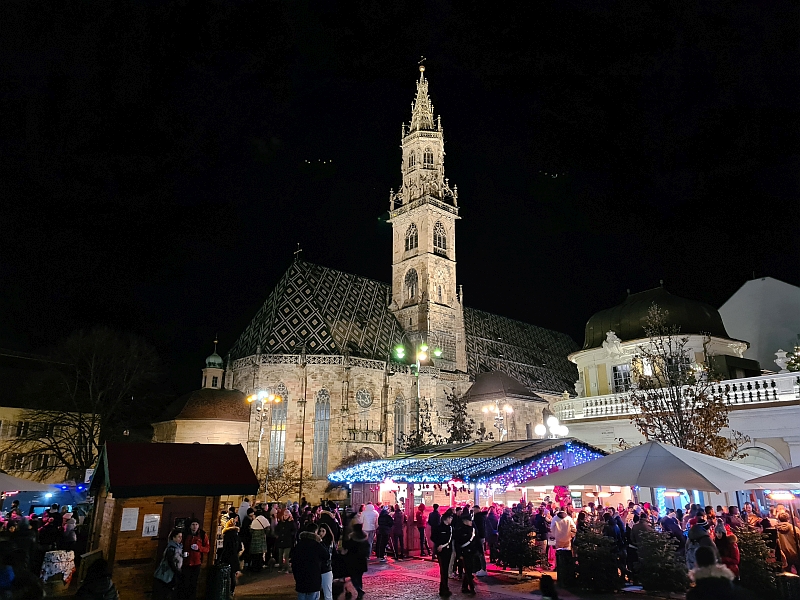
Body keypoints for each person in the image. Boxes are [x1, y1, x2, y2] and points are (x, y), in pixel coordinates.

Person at [291, 522, 329, 600]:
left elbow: (293, 560)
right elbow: (326, 555)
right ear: (315, 532)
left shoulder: (299, 545)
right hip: (313, 577)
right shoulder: (316, 544)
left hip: (300, 577)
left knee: (302, 596)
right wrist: (320, 541)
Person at [182, 518, 210, 600]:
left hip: (196, 563)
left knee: (193, 583)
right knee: (185, 583)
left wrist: (199, 548)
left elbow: (207, 549)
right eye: (193, 525)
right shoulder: (185, 534)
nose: (195, 526)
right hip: (186, 562)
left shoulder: (202, 535)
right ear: (190, 526)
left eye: (196, 524)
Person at [153, 528, 183, 600]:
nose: (180, 539)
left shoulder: (178, 547)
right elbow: (170, 561)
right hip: (168, 573)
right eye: (179, 537)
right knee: (166, 592)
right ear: (174, 537)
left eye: (181, 537)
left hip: (171, 572)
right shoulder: (171, 548)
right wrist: (177, 572)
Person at [343, 523, 369, 600]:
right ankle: (359, 592)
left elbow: (346, 546)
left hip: (353, 561)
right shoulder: (365, 538)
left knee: (354, 577)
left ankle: (359, 590)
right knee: (359, 577)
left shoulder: (352, 538)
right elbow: (367, 549)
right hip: (362, 561)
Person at [431, 510, 454, 597]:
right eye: (450, 518)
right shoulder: (439, 527)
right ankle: (444, 589)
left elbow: (451, 539)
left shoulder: (450, 528)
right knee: (443, 570)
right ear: (446, 519)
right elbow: (433, 537)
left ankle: (444, 588)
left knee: (445, 570)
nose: (451, 520)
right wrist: (439, 544)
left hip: (448, 551)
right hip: (441, 551)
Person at [454, 512, 477, 595]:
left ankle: (464, 587)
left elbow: (475, 540)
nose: (471, 522)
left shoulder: (472, 529)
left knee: (469, 570)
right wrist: (459, 554)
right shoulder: (460, 531)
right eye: (469, 521)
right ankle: (472, 588)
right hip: (464, 553)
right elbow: (457, 544)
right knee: (468, 570)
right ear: (465, 521)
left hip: (472, 552)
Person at [218, 519, 241, 597]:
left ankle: (226, 591)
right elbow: (239, 547)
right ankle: (232, 591)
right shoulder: (237, 534)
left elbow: (225, 547)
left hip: (227, 556)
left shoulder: (227, 535)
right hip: (234, 557)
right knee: (232, 574)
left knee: (227, 575)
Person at [318, 523, 335, 600]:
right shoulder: (317, 542)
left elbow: (328, 555)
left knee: (327, 594)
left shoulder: (329, 542)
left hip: (326, 569)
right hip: (318, 569)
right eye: (320, 531)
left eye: (323, 531)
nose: (321, 533)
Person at [473, 508, 488, 577]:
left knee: (480, 553)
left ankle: (482, 568)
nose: (473, 511)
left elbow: (479, 528)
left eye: (474, 510)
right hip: (482, 536)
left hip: (479, 537)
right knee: (480, 553)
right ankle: (481, 568)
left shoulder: (478, 517)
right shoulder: (482, 517)